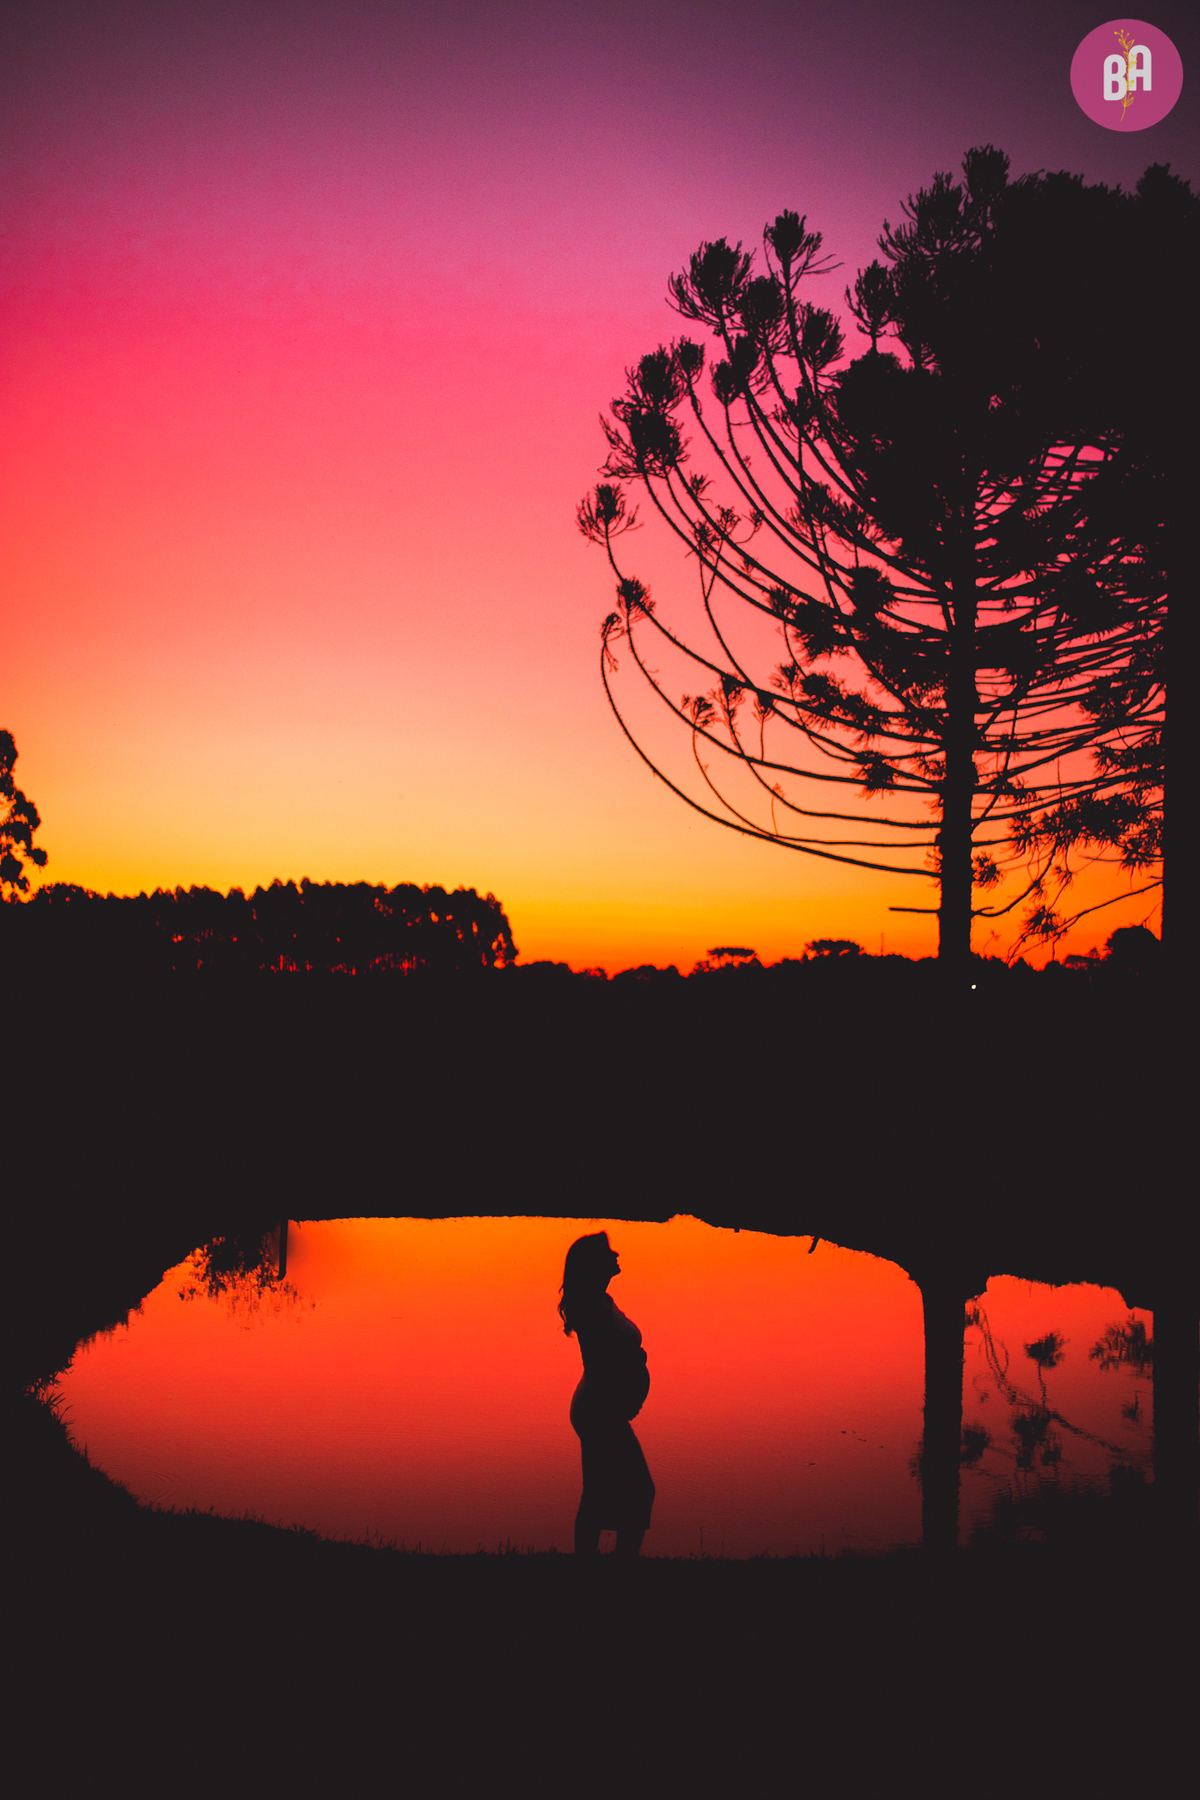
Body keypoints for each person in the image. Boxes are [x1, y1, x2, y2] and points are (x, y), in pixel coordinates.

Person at [558, 1231, 654, 1557]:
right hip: (600, 1412)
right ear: (594, 1264)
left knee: (602, 1492)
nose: (616, 1255)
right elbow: (604, 1364)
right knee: (635, 1490)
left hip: (603, 1410)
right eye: (609, 1252)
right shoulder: (592, 1309)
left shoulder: (600, 1302)